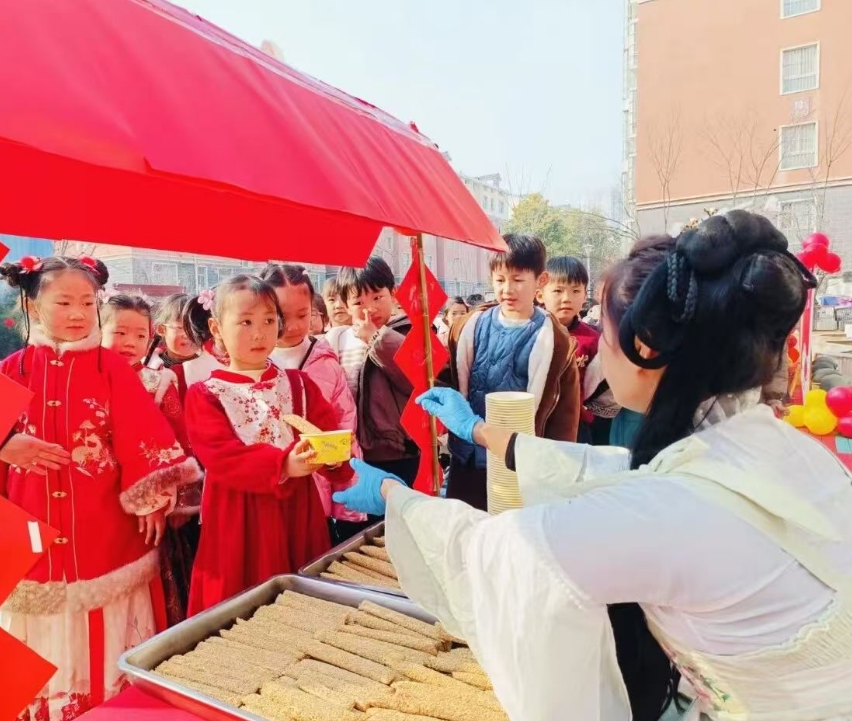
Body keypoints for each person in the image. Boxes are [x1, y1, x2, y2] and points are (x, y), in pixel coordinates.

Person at [334, 211, 852, 721]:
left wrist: (393, 496)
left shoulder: (667, 509)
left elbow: (503, 555)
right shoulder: (777, 446)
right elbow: (606, 470)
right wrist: (478, 431)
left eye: (604, 334)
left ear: (643, 348)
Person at [0, 256, 201, 720]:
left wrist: (152, 498)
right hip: (33, 522)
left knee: (108, 609)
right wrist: (1, 446)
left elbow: (141, 434)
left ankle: (109, 705)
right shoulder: (11, 369)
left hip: (106, 523)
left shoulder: (109, 367)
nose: (79, 313)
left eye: (87, 302)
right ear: (33, 304)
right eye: (64, 302)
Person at [185, 275, 352, 613]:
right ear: (217, 328)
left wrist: (331, 457)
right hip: (238, 514)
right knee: (242, 604)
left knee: (302, 600)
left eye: (268, 320)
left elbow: (327, 432)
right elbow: (221, 456)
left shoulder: (299, 384)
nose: (259, 333)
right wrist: (283, 464)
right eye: (245, 322)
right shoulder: (206, 394)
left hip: (298, 508)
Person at [443, 235, 580, 510]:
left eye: (518, 280)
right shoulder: (468, 327)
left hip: (517, 464)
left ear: (540, 281)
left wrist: (556, 470)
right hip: (467, 457)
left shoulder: (555, 343)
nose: (507, 289)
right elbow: (446, 381)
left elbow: (565, 417)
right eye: (500, 280)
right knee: (464, 526)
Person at [101, 293, 201, 627]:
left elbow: (178, 445)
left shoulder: (157, 382)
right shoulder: (84, 381)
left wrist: (164, 502)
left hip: (147, 506)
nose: (130, 342)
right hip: (97, 500)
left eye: (139, 335)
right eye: (119, 332)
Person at [259, 263, 368, 544]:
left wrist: (346, 495)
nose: (294, 326)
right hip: (269, 488)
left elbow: (345, 427)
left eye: (302, 314)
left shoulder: (326, 361)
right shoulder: (253, 361)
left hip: (318, 491)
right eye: (282, 316)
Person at [325, 257, 418, 489]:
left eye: (377, 297)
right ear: (346, 305)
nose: (370, 309)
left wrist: (376, 338)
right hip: (353, 449)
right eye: (358, 302)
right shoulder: (338, 340)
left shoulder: (407, 332)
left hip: (397, 450)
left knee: (396, 506)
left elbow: (414, 380)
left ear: (393, 294)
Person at [541, 256, 618, 445]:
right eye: (558, 291)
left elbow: (596, 385)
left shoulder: (594, 339)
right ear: (540, 294)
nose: (566, 298)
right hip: (536, 421)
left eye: (575, 291)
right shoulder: (532, 332)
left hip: (576, 423)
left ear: (584, 296)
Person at [145, 293, 199, 387]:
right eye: (180, 328)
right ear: (161, 329)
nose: (189, 334)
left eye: (195, 328)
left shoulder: (210, 368)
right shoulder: (150, 366)